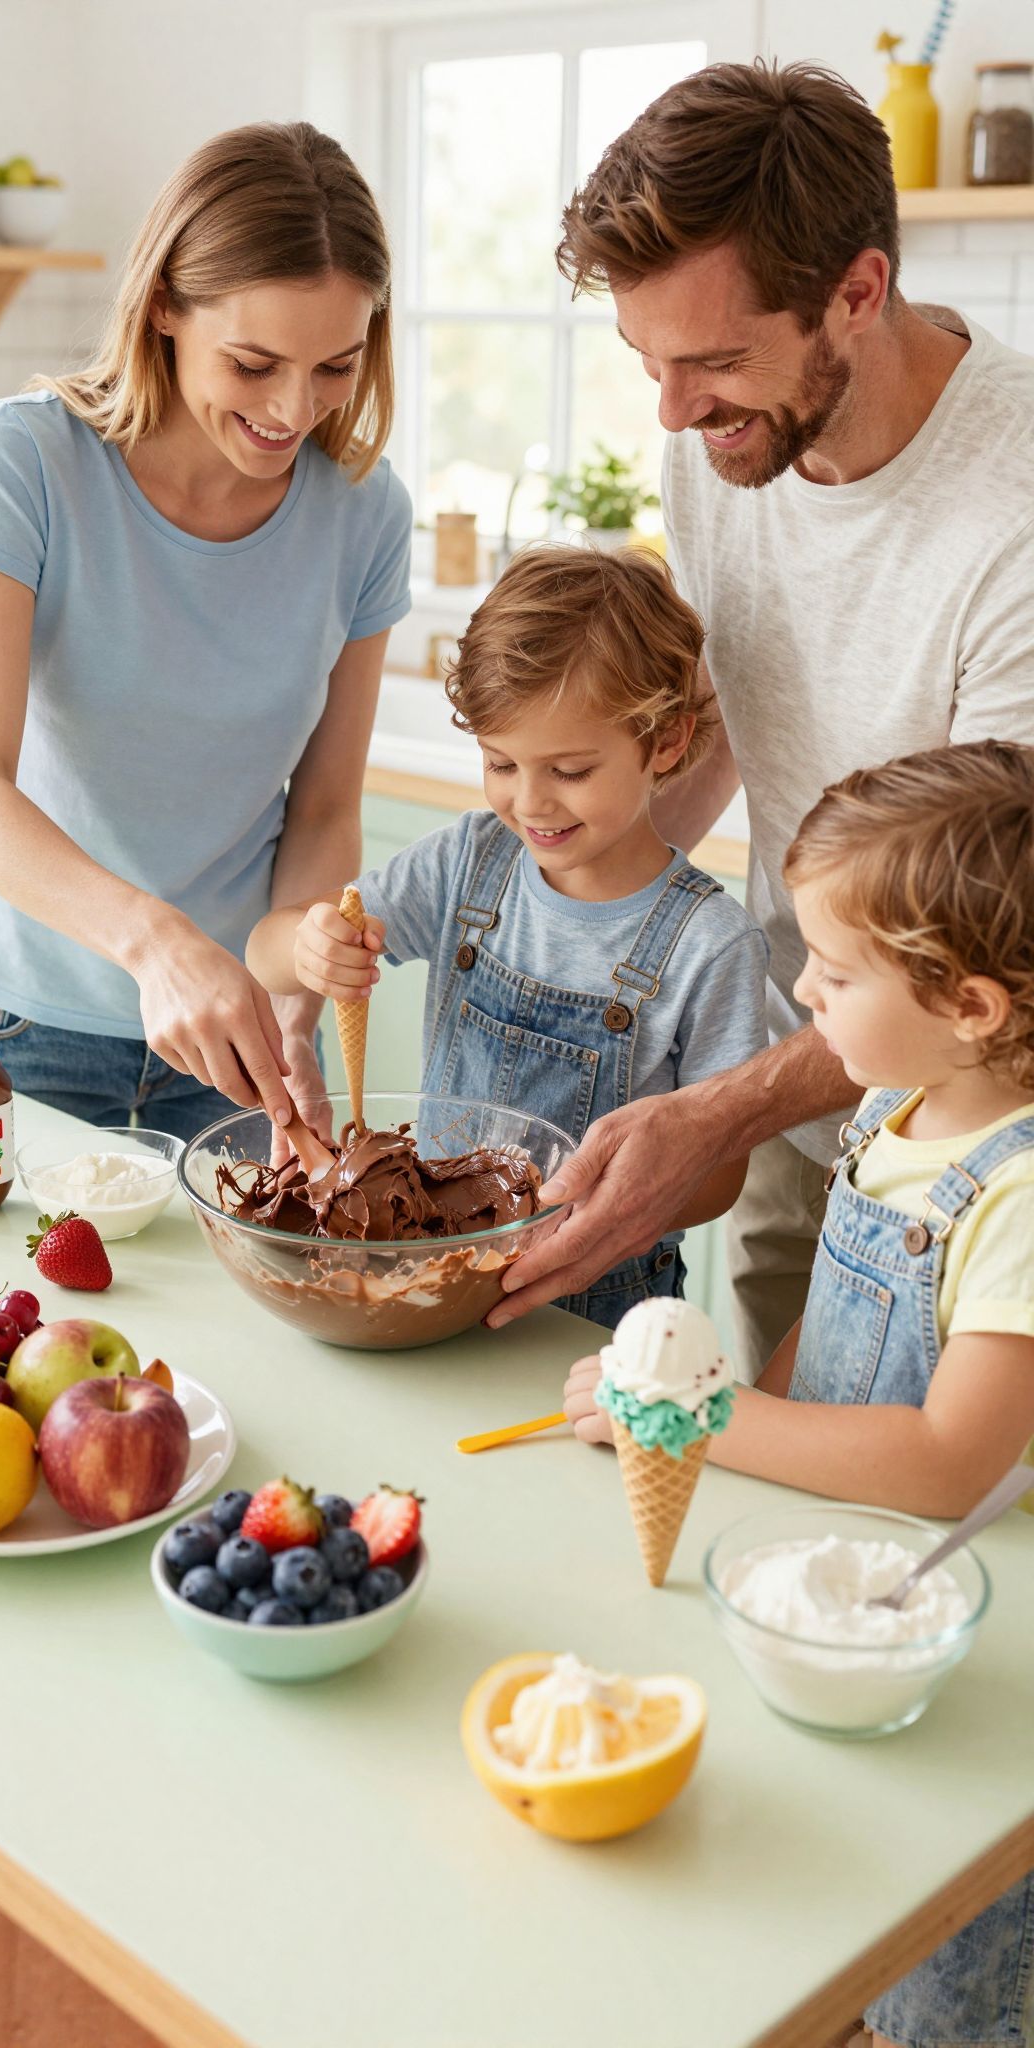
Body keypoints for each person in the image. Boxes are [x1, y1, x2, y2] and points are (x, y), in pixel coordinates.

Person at [488, 61, 1034, 1362]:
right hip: (804, 1075)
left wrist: (718, 1112)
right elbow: (745, 704)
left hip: (982, 1140)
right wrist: (563, 914)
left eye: (717, 362)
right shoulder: (722, 443)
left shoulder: (1011, 512)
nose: (674, 412)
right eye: (648, 361)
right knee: (761, 1455)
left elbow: (1002, 933)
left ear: (859, 291)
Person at [564, 738, 1034, 2048]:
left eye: (835, 970)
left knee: (943, 1950)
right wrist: (724, 1399)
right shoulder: (896, 1110)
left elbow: (950, 1459)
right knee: (839, 1892)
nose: (803, 989)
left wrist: (701, 1419)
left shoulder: (1018, 1193)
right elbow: (821, 1339)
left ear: (970, 1006)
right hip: (843, 1579)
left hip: (963, 1630)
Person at [0, 122, 411, 1141]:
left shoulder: (366, 514)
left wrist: (294, 1005)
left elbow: (323, 810)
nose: (294, 409)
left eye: (335, 367)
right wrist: (156, 943)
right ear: (166, 305)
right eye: (255, 363)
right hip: (19, 1026)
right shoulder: (25, 460)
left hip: (238, 1036)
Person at [247, 543, 767, 1327]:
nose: (531, 803)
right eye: (500, 764)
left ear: (666, 742)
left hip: (594, 1309)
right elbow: (266, 952)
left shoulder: (712, 944)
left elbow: (719, 1176)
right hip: (433, 1279)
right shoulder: (468, 863)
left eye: (570, 771)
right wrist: (307, 946)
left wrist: (578, 1206)